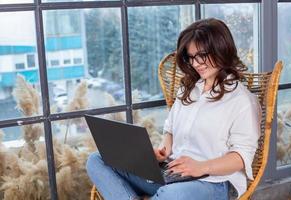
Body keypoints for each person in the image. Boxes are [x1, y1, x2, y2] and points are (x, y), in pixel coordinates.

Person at [86, 18, 261, 200]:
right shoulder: (188, 89)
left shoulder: (242, 101)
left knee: (169, 195)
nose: (196, 63)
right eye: (191, 57)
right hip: (171, 173)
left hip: (214, 181)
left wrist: (201, 167)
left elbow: (241, 157)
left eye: (202, 55)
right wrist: (162, 151)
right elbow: (170, 129)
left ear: (221, 48)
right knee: (97, 159)